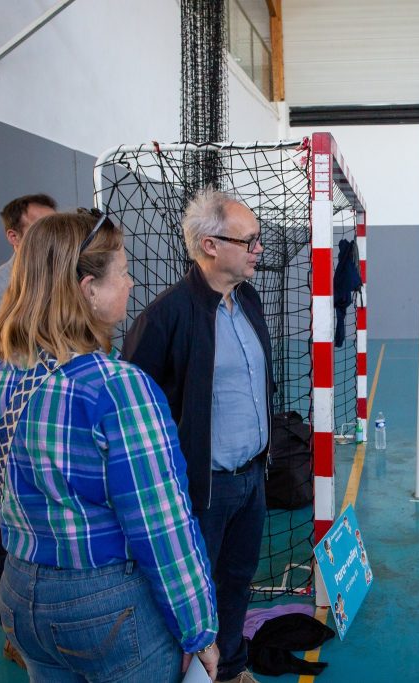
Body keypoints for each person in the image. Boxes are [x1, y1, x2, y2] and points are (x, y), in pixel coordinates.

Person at [0, 210, 220, 680]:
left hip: (22, 596)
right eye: (123, 273)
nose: (130, 285)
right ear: (87, 289)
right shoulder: (119, 388)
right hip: (104, 611)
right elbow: (162, 528)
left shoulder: (1, 380)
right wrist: (200, 632)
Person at [123, 188, 272, 683]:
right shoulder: (165, 317)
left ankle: (228, 669)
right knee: (191, 592)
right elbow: (136, 410)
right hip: (200, 487)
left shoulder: (247, 300)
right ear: (211, 245)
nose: (259, 250)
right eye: (249, 241)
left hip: (250, 479)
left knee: (236, 581)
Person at [0, 193, 56, 668]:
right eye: (40, 228)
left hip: (56, 440)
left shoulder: (57, 282)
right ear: (14, 237)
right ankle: (12, 632)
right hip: (13, 442)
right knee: (7, 532)